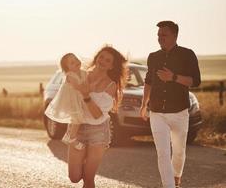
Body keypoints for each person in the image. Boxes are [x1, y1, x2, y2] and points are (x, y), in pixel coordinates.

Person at [140, 21, 201, 188]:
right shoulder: (153, 57)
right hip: (157, 112)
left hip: (179, 112)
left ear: (175, 35)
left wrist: (173, 77)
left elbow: (195, 81)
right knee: (163, 153)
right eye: (158, 35)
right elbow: (148, 82)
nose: (160, 38)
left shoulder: (187, 55)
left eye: (164, 35)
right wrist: (144, 104)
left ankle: (176, 177)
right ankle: (169, 186)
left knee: (179, 152)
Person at [68, 46, 127, 188]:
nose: (103, 61)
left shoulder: (111, 86)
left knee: (88, 178)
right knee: (74, 177)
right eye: (101, 57)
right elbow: (69, 98)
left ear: (112, 66)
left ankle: (89, 166)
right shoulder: (81, 75)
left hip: (98, 131)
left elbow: (97, 115)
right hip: (78, 129)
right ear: (96, 57)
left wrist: (86, 95)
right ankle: (84, 160)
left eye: (108, 60)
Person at [45, 53, 87, 150]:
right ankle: (72, 138)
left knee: (75, 118)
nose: (76, 62)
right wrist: (87, 89)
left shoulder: (84, 73)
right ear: (67, 68)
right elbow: (78, 87)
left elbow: (87, 82)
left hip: (79, 99)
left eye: (76, 59)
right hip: (71, 100)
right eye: (72, 63)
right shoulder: (70, 76)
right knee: (77, 118)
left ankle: (68, 135)